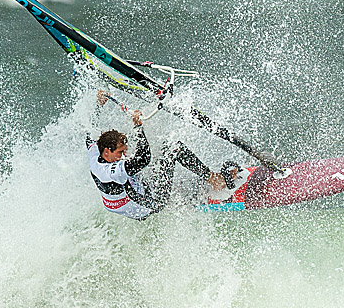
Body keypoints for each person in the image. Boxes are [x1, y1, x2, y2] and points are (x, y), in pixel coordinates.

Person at [86, 90, 240, 220]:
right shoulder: (112, 172)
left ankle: (162, 183)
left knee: (139, 160)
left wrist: (98, 104)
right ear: (107, 151)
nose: (123, 154)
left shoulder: (95, 152)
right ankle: (215, 181)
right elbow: (144, 159)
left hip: (126, 202)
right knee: (173, 148)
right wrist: (138, 127)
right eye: (120, 152)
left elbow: (89, 129)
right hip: (150, 206)